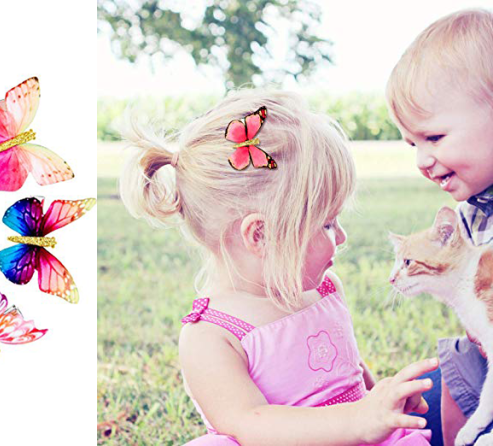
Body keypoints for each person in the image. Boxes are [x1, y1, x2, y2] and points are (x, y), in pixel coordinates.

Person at [120, 89, 434, 445]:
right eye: (327, 224)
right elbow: (252, 425)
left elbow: (353, 374)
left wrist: (384, 404)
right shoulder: (211, 336)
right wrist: (357, 419)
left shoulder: (324, 290)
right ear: (261, 235)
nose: (342, 236)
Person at [386, 8, 493, 446]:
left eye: (434, 138)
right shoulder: (472, 209)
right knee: (450, 367)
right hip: (483, 359)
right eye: (412, 144)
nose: (421, 161)